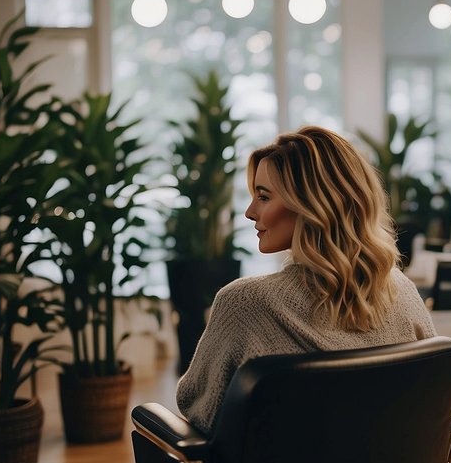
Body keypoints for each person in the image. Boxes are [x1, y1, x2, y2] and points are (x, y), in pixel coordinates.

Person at [176, 125, 436, 432]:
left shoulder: (244, 305)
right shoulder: (403, 291)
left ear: (310, 205)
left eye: (263, 197)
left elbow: (199, 410)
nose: (249, 212)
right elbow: (433, 401)